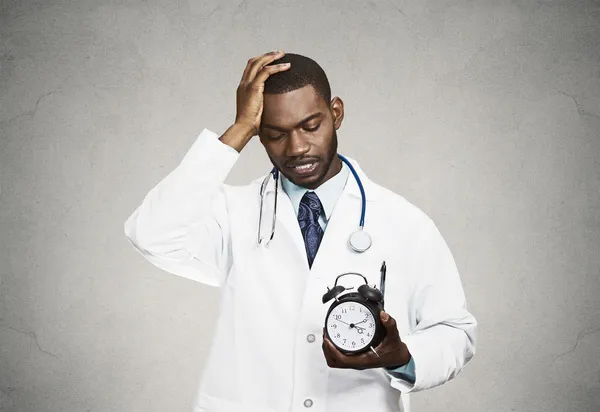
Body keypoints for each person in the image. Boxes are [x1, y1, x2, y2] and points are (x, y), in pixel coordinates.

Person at [124, 50, 477, 412]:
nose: (297, 149)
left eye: (311, 126)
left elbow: (454, 331)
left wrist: (401, 357)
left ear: (336, 113)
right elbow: (151, 233)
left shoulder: (404, 223)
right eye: (274, 134)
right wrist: (240, 127)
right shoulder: (232, 213)